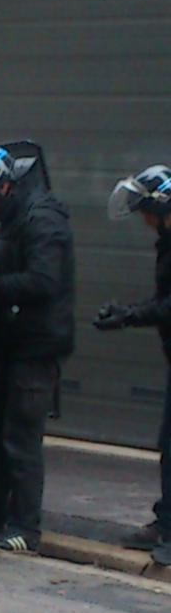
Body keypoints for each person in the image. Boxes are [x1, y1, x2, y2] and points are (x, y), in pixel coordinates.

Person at [0, 145, 75, 553]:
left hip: (37, 347)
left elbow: (44, 281)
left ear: (3, 186)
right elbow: (5, 283)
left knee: (20, 438)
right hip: (11, 343)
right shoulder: (13, 219)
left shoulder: (43, 220)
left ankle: (25, 527)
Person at [95, 164, 171, 567]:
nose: (141, 218)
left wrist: (129, 315)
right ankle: (167, 522)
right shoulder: (167, 239)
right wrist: (129, 313)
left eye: (145, 209)